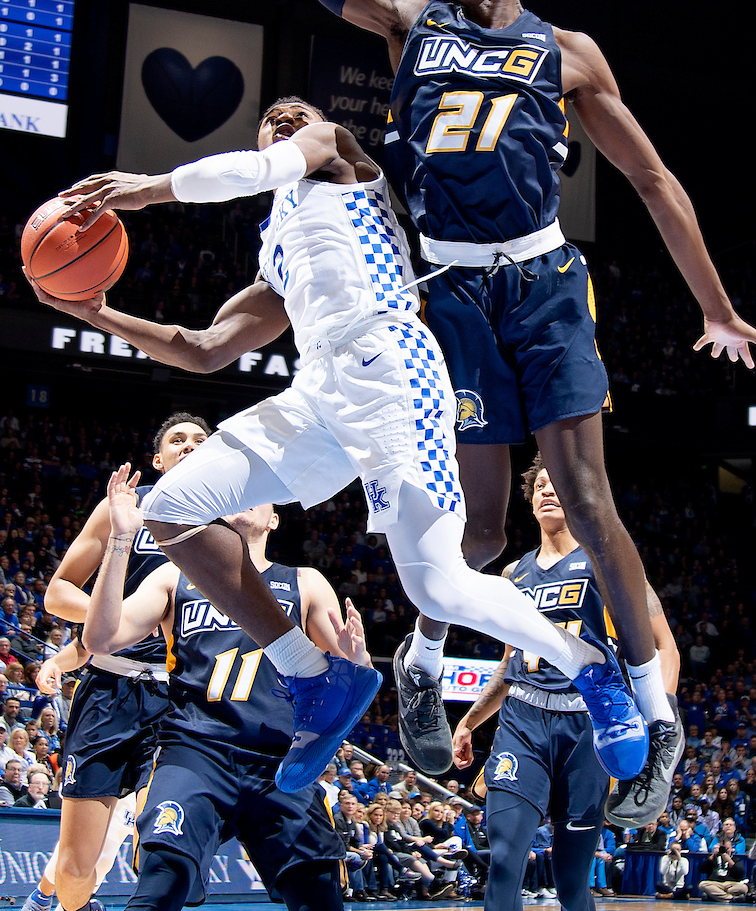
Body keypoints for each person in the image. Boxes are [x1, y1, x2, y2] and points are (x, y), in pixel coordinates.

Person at [106, 0, 756, 812]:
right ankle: (418, 661)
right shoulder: (412, 18)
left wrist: (712, 304)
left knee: (584, 500)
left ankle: (646, 704)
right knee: (485, 529)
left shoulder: (568, 53)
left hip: (540, 283)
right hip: (450, 292)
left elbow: (655, 179)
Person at [48, 98, 647, 789]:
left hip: (392, 367)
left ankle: (587, 666)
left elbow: (265, 166)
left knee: (441, 587)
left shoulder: (336, 158)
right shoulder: (275, 240)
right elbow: (208, 349)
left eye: (295, 109)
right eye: (271, 115)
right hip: (317, 390)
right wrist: (99, 315)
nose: (285, 117)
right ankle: (314, 677)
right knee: (174, 506)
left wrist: (147, 189)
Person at [82, 465, 360, 911]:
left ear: (274, 519)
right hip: (195, 749)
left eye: (258, 493)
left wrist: (353, 659)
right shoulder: (172, 576)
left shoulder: (304, 580)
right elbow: (97, 640)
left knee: (317, 893)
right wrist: (118, 539)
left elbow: (347, 684)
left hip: (279, 759)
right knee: (162, 880)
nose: (243, 498)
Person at [451, 455, 680, 911]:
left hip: (589, 726)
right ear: (530, 501)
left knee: (572, 879)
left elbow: (665, 648)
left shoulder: (607, 561)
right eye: (539, 487)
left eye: (557, 485)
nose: (548, 492)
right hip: (523, 721)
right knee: (504, 856)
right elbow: (509, 663)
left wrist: (661, 719)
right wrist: (471, 721)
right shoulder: (513, 574)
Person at [23, 414, 210, 911]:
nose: (189, 446)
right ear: (158, 459)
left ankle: (154, 850)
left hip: (180, 700)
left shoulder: (228, 521)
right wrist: (125, 617)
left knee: (156, 841)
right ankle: (62, 900)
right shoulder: (123, 511)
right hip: (111, 691)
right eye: (177, 440)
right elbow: (57, 594)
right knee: (81, 863)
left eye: (200, 440)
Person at [697, 837, 748, 903]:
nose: (725, 851)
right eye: (722, 848)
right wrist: (713, 855)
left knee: (744, 888)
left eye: (727, 848)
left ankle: (716, 896)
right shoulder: (713, 858)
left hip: (731, 885)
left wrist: (729, 860)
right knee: (702, 884)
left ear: (732, 849)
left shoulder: (735, 859)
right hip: (715, 884)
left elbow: (741, 874)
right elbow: (702, 869)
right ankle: (731, 898)